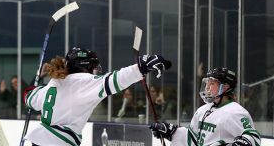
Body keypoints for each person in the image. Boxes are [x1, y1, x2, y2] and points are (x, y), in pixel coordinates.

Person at [23, 47, 171, 146]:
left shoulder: (53, 84)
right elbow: (115, 79)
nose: (95, 70)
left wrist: (37, 80)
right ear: (84, 66)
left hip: (38, 142)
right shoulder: (83, 81)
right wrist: (141, 68)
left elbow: (28, 97)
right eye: (93, 66)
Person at [149, 68, 261, 146]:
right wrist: (172, 132)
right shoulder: (203, 110)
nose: (207, 87)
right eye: (207, 83)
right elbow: (194, 138)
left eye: (212, 83)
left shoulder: (236, 112)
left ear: (225, 87)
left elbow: (253, 137)